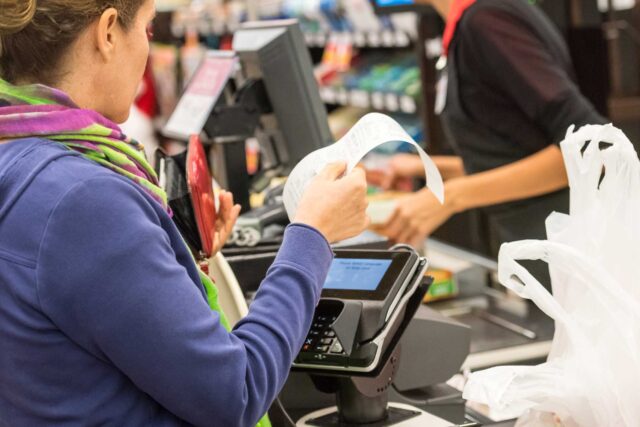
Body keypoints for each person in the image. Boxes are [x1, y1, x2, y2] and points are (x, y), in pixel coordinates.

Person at [0, 1, 369, 426]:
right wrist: (311, 234)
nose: (146, 48)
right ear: (106, 33)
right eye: (148, 29)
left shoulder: (21, 154)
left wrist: (174, 259)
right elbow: (235, 393)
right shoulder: (82, 199)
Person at [374, 0, 607, 260]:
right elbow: (515, 153)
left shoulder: (487, 21)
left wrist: (450, 197)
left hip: (573, 260)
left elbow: (592, 150)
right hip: (545, 255)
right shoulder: (473, 22)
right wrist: (424, 168)